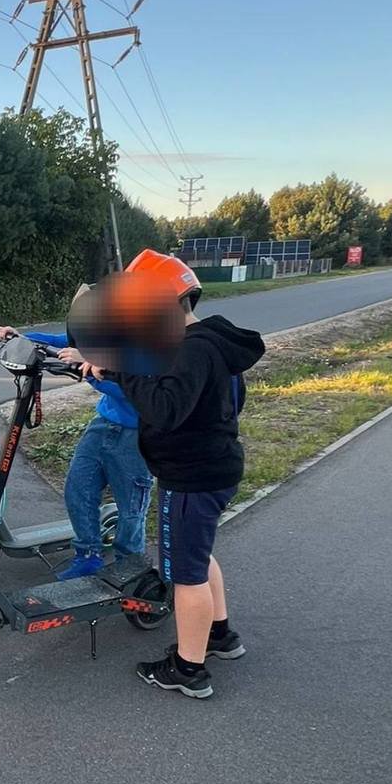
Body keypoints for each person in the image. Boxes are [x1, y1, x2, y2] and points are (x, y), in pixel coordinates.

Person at [90, 249, 264, 700]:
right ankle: (219, 635)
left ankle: (188, 669)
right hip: (215, 468)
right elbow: (218, 401)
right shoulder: (209, 344)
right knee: (199, 556)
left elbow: (164, 409)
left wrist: (123, 374)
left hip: (191, 479)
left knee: (184, 575)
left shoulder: (190, 352)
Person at [0, 284, 152, 581]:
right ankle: (88, 554)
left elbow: (131, 390)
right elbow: (58, 341)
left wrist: (87, 368)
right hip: (103, 426)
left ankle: (130, 568)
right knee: (78, 488)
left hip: (136, 436)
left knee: (131, 508)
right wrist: (19, 338)